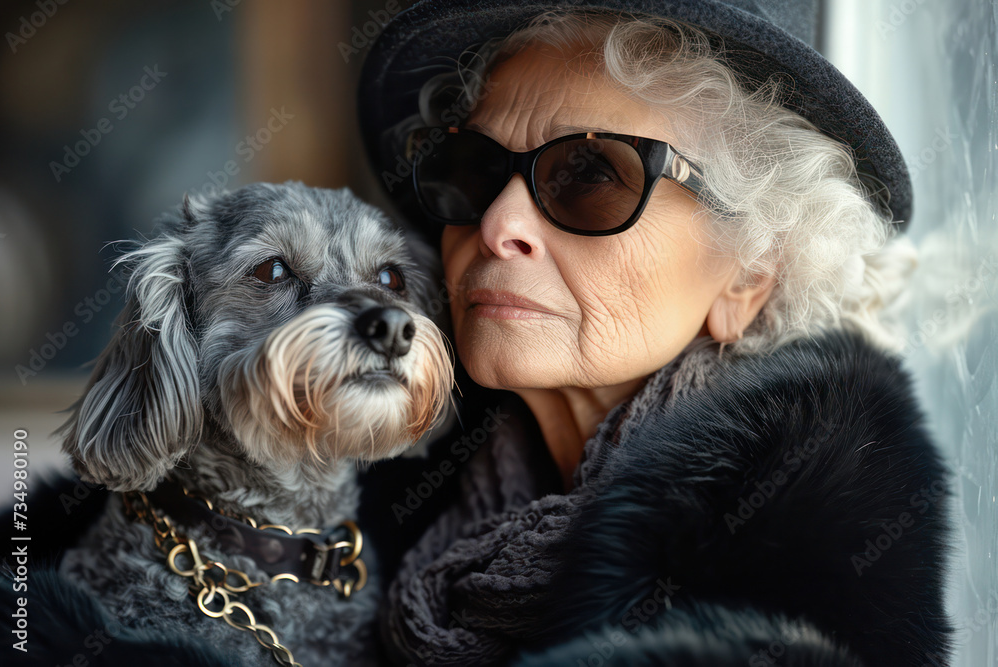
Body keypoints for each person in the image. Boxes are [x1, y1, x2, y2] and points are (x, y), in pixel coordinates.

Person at [356, 1, 954, 665]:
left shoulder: (795, 602)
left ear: (750, 275)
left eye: (590, 174)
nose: (498, 225)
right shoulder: (357, 482)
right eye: (475, 166)